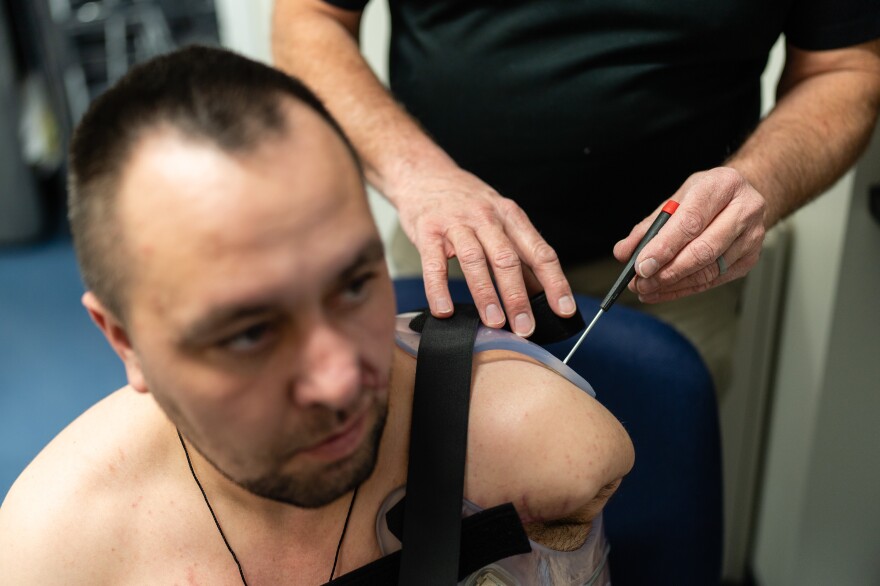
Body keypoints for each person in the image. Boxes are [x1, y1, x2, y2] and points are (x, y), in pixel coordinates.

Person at [0, 46, 634, 584]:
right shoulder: (59, 552)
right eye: (250, 333)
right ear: (126, 342)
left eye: (354, 285)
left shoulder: (540, 454)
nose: (338, 381)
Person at [272, 0, 880, 391]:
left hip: (681, 274)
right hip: (452, 254)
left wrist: (760, 182)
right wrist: (418, 174)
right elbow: (308, 16)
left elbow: (845, 70)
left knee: (641, 502)